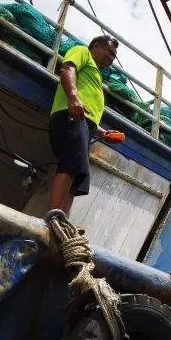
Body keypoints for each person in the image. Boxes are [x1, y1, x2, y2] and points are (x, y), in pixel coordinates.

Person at [47, 36, 122, 214]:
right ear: (96, 45)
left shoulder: (96, 75)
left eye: (114, 57)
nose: (111, 59)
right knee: (71, 165)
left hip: (84, 124)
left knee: (79, 177)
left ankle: (62, 220)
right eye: (109, 52)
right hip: (70, 116)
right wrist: (73, 97)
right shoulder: (82, 52)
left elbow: (88, 112)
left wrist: (102, 132)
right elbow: (67, 69)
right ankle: (53, 215)